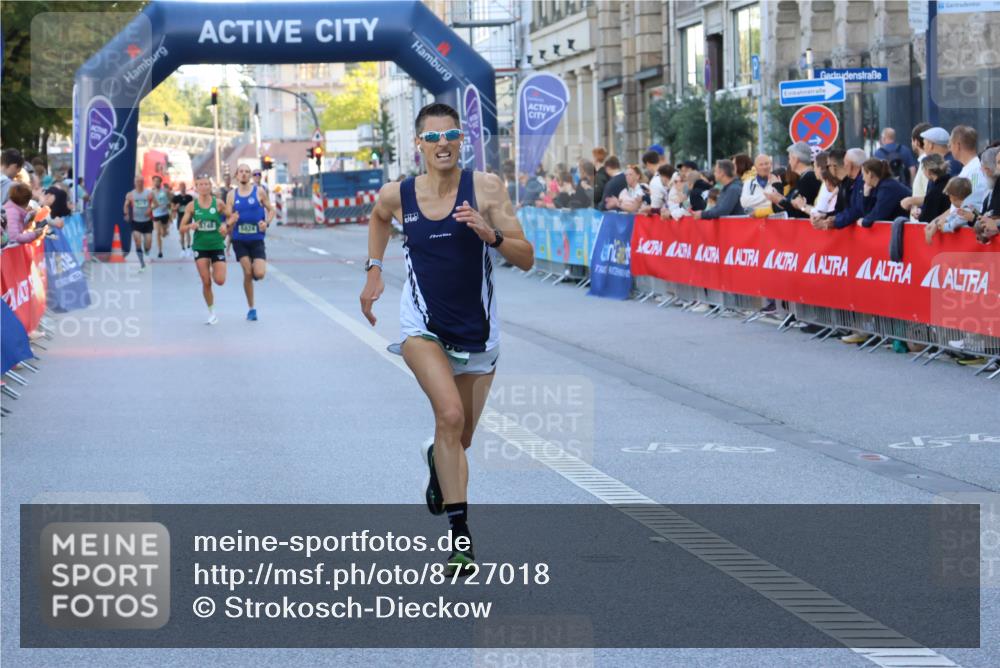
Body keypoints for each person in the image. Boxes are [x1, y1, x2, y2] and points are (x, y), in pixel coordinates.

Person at [359, 102, 534, 576]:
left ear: (463, 140)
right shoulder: (399, 195)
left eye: (451, 134)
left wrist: (490, 233)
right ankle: (461, 540)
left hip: (479, 334)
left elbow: (527, 258)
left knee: (461, 438)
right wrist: (374, 270)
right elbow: (378, 217)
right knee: (449, 415)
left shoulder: (487, 188)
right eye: (432, 137)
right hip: (423, 328)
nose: (443, 144)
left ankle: (437, 457)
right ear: (418, 144)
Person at [179, 174, 232, 324]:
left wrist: (225, 226)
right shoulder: (192, 206)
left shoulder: (219, 203)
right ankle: (212, 312)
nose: (203, 187)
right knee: (206, 281)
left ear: (210, 187)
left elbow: (232, 216)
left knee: (220, 280)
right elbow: (182, 228)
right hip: (200, 246)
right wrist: (191, 226)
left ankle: (213, 269)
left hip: (216, 245)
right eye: (200, 184)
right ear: (196, 188)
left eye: (206, 184)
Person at [227, 164, 274, 321]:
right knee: (247, 273)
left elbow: (271, 209)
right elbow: (228, 216)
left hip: (257, 239)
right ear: (237, 175)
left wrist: (266, 222)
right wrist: (230, 222)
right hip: (239, 240)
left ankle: (255, 270)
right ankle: (251, 308)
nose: (245, 174)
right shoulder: (231, 195)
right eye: (242, 172)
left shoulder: (259, 191)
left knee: (259, 274)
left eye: (248, 172)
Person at [814, 148, 867, 230]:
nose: (844, 165)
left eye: (827, 166)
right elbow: (840, 210)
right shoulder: (843, 184)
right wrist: (826, 216)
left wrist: (835, 221)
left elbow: (857, 209)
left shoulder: (861, 181)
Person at [766, 142, 821, 218]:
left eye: (789, 158)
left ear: (796, 159)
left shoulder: (809, 178)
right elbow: (781, 210)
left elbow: (797, 212)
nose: (789, 162)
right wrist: (778, 191)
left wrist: (779, 198)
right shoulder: (803, 178)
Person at [860, 158, 911, 227]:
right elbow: (868, 213)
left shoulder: (888, 188)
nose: (863, 178)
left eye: (863, 174)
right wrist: (866, 195)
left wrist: (864, 222)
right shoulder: (878, 187)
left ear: (869, 174)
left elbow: (878, 213)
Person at [925, 177, 974, 243]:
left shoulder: (967, 209)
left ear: (953, 197)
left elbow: (957, 222)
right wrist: (939, 222)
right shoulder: (961, 208)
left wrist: (944, 227)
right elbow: (952, 216)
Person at [906, 153, 952, 223]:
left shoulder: (934, 193)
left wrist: (920, 215)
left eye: (923, 169)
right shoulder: (952, 183)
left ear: (928, 171)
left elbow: (926, 219)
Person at [123, 175, 155, 271]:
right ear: (134, 183)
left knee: (148, 244)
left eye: (141, 181)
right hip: (136, 222)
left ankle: (147, 250)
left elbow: (156, 204)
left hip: (147, 222)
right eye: (137, 181)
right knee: (137, 241)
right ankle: (142, 263)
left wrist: (150, 209)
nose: (139, 183)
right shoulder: (130, 194)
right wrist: (126, 213)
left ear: (143, 182)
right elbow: (125, 205)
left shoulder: (149, 193)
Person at [909, 122, 933, 200]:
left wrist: (911, 202)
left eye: (912, 140)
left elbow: (929, 195)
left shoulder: (925, 164)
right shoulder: (926, 162)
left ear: (916, 142)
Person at [151, 175, 172, 259]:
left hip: (165, 214)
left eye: (158, 181)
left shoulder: (165, 191)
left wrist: (169, 204)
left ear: (160, 182)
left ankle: (166, 231)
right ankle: (160, 251)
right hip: (156, 214)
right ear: (153, 182)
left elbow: (171, 200)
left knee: (163, 234)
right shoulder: (151, 192)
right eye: (155, 181)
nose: (156, 182)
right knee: (158, 233)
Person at [171, 181, 194, 258]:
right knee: (181, 233)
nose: (182, 188)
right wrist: (175, 207)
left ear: (185, 187)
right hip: (180, 217)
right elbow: (172, 208)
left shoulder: (189, 197)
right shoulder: (176, 198)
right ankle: (182, 249)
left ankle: (188, 248)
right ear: (179, 188)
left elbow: (193, 207)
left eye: (184, 186)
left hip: (188, 217)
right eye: (181, 186)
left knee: (187, 232)